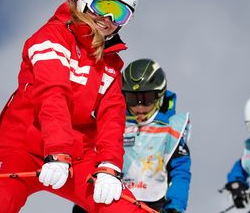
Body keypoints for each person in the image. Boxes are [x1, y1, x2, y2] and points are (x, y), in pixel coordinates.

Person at [0, 0, 148, 213]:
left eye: (120, 13)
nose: (108, 18)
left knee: (119, 206)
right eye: (103, 5)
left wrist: (109, 167)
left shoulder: (111, 64)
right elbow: (52, 93)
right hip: (22, 145)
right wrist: (57, 151)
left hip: (76, 154)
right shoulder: (51, 38)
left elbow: (111, 117)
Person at [73, 58, 192, 213]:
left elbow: (180, 171)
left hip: (152, 203)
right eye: (132, 98)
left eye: (147, 98)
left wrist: (174, 206)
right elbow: (91, 156)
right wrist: (83, 202)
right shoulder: (113, 121)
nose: (139, 106)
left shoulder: (171, 127)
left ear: (159, 95)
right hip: (113, 196)